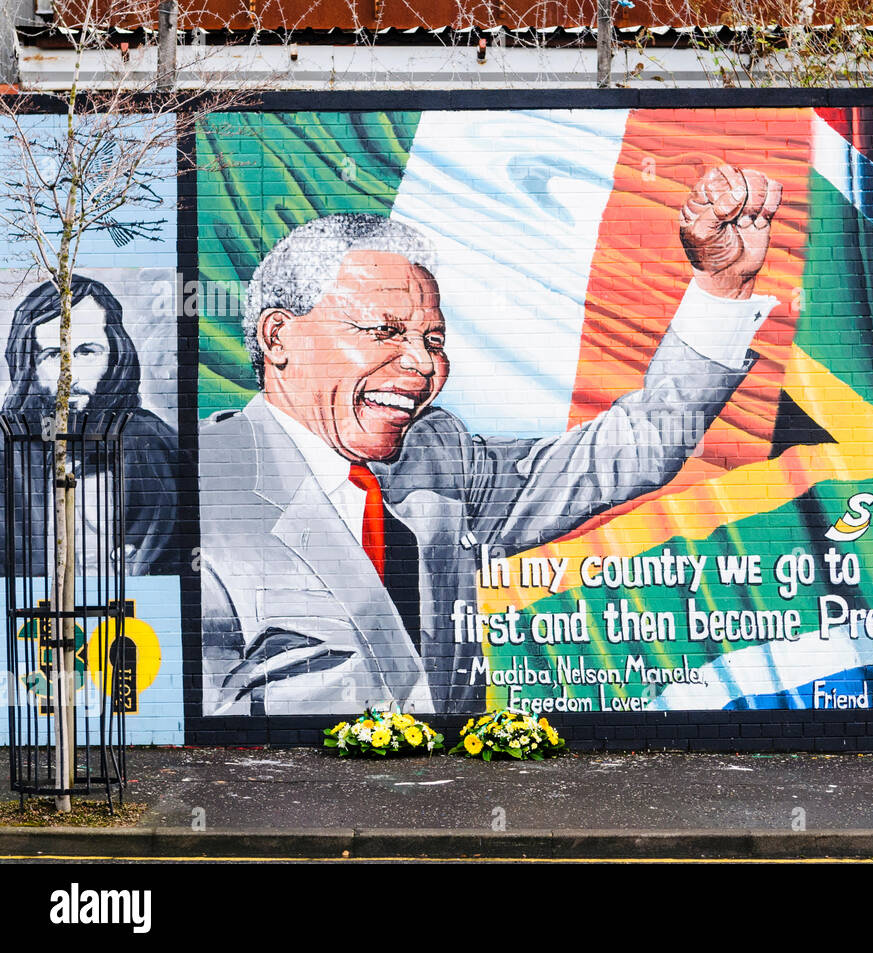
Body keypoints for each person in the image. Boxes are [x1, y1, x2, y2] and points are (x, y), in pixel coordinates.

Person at [200, 165, 785, 717]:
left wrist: (722, 285)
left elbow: (636, 447)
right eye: (385, 332)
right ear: (279, 337)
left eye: (434, 339)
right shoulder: (188, 488)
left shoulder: (439, 457)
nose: (420, 364)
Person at [2, 275, 179, 576]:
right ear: (29, 364)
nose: (70, 374)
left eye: (87, 352)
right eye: (53, 354)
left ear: (114, 356)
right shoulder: (9, 448)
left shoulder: (148, 442)